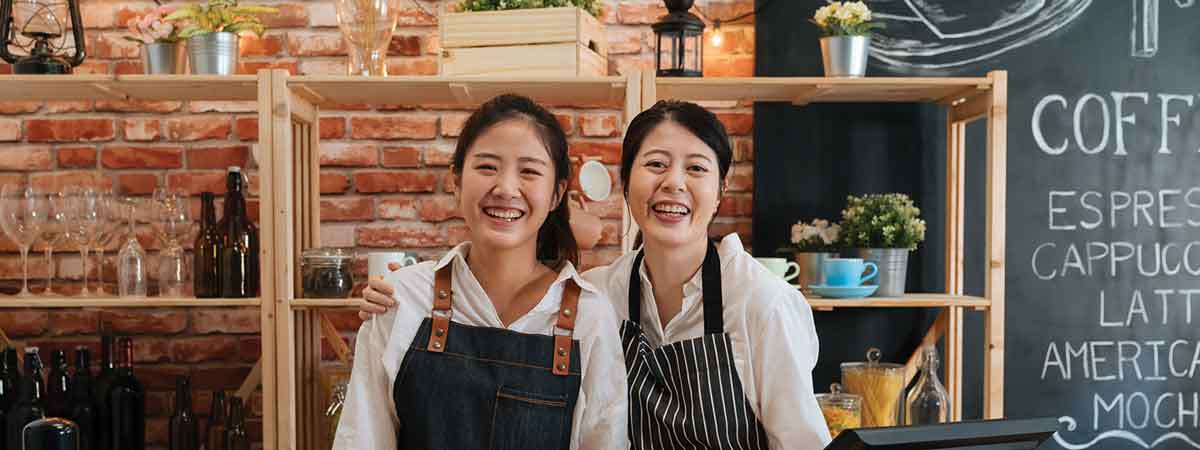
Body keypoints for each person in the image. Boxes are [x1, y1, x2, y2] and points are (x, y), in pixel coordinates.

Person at [360, 100, 831, 450]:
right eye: (656, 165)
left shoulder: (762, 303)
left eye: (696, 168)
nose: (674, 183)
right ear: (625, 183)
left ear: (721, 188)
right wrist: (407, 289)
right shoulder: (601, 294)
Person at [334, 94, 628, 450]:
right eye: (487, 167)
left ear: (556, 194)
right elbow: (363, 439)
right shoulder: (402, 299)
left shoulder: (588, 316)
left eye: (529, 171)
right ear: (457, 181)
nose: (505, 188)